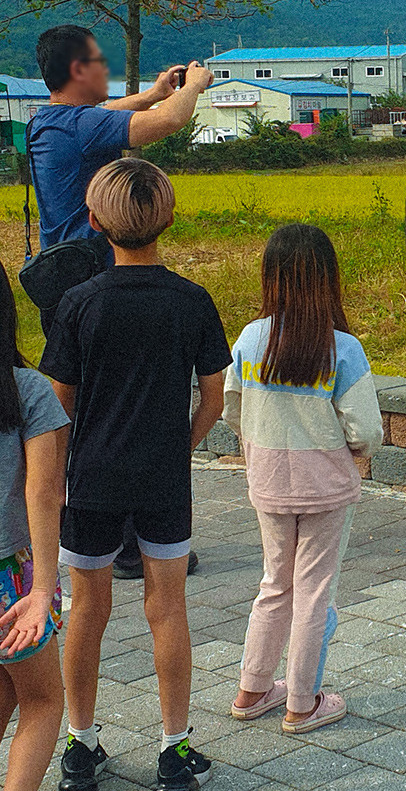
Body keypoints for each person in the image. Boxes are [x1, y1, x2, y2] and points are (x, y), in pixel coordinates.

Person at [39, 158, 231, 791]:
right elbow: (213, 400)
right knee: (167, 609)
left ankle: (79, 743)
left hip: (88, 480)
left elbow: (57, 405)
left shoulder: (76, 303)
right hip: (163, 480)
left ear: (94, 222)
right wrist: (180, 447)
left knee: (85, 610)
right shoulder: (193, 302)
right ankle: (174, 749)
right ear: (168, 220)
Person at [29, 25, 212, 580]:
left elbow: (115, 110)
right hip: (104, 288)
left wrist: (155, 91)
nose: (106, 69)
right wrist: (194, 88)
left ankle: (87, 528)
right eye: (98, 61)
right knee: (122, 405)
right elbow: (168, 124)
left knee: (83, 402)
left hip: (65, 287)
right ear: (78, 71)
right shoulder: (82, 125)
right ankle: (132, 544)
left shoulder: (49, 120)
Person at [226, 225, 383, 735]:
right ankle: (302, 701)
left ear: (271, 277)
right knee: (315, 591)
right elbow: (366, 428)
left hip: (268, 481)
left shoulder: (251, 338)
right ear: (327, 280)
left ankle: (252, 689)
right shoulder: (342, 348)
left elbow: (233, 408)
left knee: (275, 583)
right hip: (326, 487)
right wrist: (352, 449)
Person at [0, 264, 70, 791]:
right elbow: (43, 492)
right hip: (14, 577)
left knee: (5, 694)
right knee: (44, 702)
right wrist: (43, 587)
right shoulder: (27, 391)